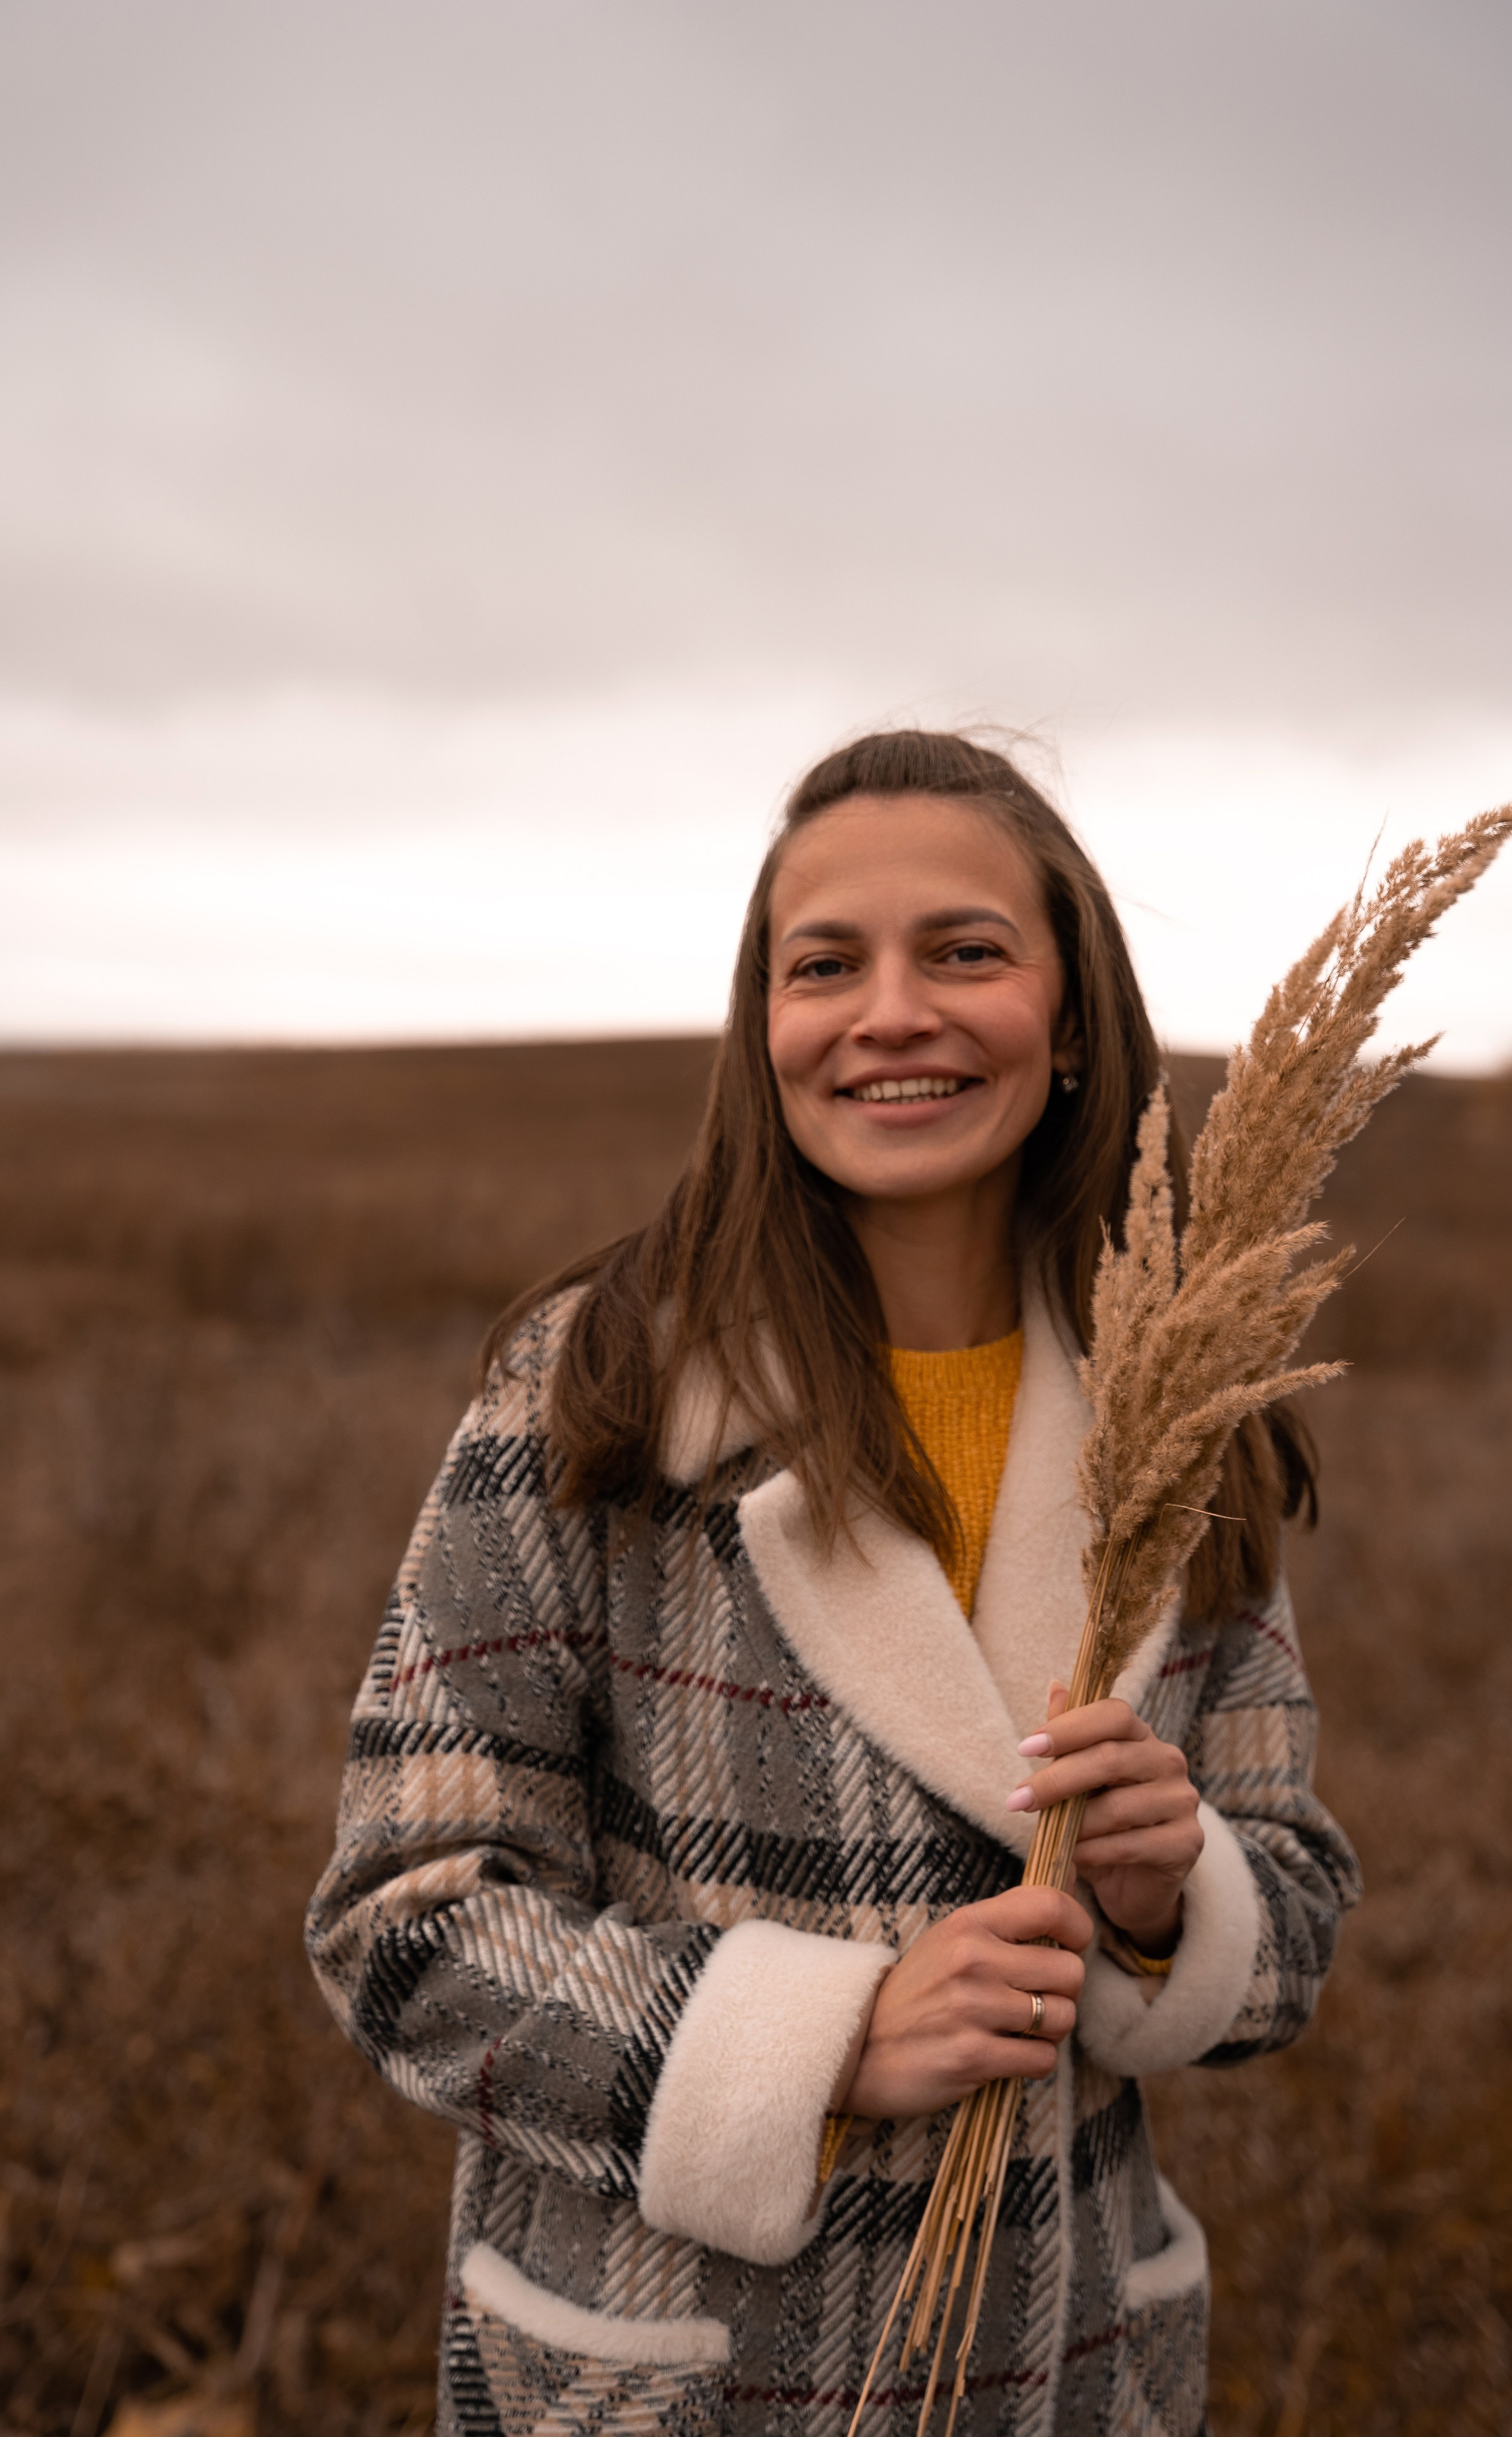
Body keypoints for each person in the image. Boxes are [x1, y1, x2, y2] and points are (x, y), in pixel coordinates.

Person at [306, 730, 1359, 2437]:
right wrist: (825, 2043)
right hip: (672, 2375)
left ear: (1071, 1014)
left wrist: (1178, 1904)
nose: (892, 1013)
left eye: (964, 951)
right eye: (826, 966)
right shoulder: (608, 1387)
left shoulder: (1177, 1404)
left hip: (1063, 2362)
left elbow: (1295, 1908)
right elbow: (403, 1920)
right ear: (766, 1029)